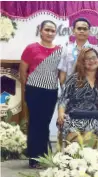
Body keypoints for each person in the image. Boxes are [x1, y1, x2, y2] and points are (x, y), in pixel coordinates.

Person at [19, 20, 64, 168]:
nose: (50, 33)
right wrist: (28, 89)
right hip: (34, 91)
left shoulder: (60, 50)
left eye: (52, 31)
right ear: (41, 31)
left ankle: (44, 155)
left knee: (44, 124)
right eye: (47, 30)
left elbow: (60, 74)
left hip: (50, 92)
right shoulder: (31, 48)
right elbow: (23, 71)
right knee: (35, 123)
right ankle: (34, 157)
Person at [57, 48, 98, 143]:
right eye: (87, 59)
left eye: (94, 57)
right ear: (82, 62)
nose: (91, 61)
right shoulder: (74, 79)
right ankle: (74, 156)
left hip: (95, 117)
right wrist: (61, 113)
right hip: (74, 115)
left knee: (90, 133)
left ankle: (88, 156)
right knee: (72, 132)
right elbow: (63, 98)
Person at [58, 17, 98, 85]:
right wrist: (64, 89)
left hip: (91, 89)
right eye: (79, 28)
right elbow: (63, 72)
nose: (82, 31)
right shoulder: (67, 50)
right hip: (71, 90)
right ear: (73, 31)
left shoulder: (96, 50)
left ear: (89, 31)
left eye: (85, 29)